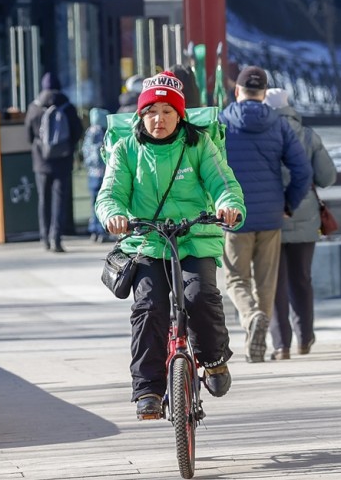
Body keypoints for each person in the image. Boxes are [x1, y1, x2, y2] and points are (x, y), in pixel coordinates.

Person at [95, 70, 246, 420]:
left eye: (166, 111)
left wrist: (230, 207)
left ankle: (214, 360)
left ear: (180, 114)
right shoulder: (126, 149)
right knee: (148, 308)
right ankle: (148, 389)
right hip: (147, 242)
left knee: (200, 297)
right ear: (140, 115)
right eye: (150, 111)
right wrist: (114, 215)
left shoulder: (199, 145)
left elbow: (223, 182)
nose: (158, 119)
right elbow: (110, 194)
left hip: (195, 238)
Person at [219, 65, 313, 364]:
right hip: (271, 214)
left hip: (234, 214)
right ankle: (256, 342)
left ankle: (250, 318)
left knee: (235, 279)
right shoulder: (278, 123)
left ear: (238, 91)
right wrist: (288, 203)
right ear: (263, 94)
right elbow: (303, 170)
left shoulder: (223, 122)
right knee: (266, 283)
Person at [263, 87, 337, 359]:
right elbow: (327, 177)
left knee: (275, 281)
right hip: (305, 217)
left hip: (270, 216)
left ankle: (281, 344)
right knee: (302, 278)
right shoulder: (308, 135)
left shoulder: (262, 136)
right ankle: (305, 338)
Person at [24, 71, 83, 252]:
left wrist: (40, 147)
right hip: (63, 160)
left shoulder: (34, 108)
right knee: (59, 199)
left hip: (41, 161)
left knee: (43, 199)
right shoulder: (67, 107)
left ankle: (44, 238)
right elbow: (78, 131)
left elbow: (28, 135)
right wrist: (68, 148)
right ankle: (56, 237)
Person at [82, 107, 110, 243]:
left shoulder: (89, 132)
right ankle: (102, 230)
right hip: (104, 173)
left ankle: (93, 229)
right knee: (104, 201)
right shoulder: (104, 132)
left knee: (94, 202)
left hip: (92, 173)